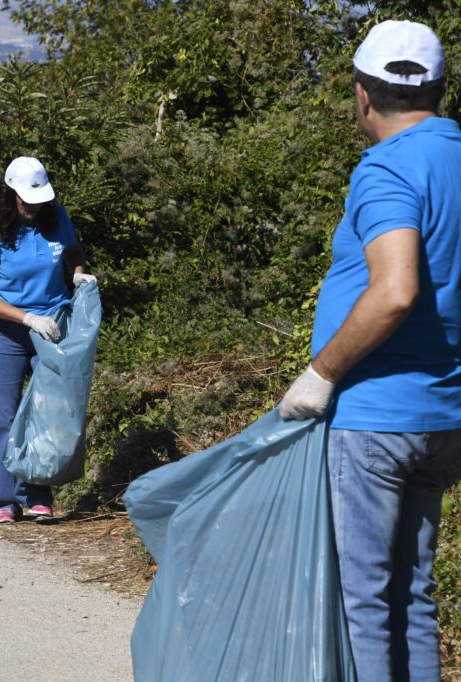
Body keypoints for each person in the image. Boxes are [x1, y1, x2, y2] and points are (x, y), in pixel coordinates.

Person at [279, 21, 461, 682]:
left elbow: (393, 291)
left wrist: (320, 374)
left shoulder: (389, 165)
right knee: (412, 595)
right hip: (443, 415)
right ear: (440, 88)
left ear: (362, 95)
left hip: (376, 413)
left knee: (363, 602)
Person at [0, 157, 94, 524]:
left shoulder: (57, 219)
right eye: (25, 200)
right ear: (9, 194)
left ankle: (38, 493)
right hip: (8, 333)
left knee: (46, 411)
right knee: (8, 417)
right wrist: (27, 318)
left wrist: (79, 276)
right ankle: (5, 500)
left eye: (37, 199)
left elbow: (75, 255)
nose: (32, 206)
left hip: (53, 327)